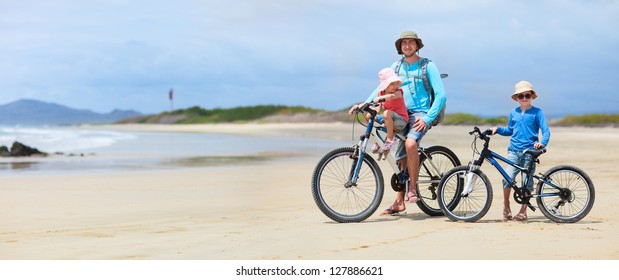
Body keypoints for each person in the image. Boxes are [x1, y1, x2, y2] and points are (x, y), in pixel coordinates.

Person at [349, 30, 447, 215]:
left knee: (410, 144)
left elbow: (441, 95)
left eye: (411, 42)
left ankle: (413, 190)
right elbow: (381, 88)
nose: (407, 46)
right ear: (400, 47)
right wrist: (365, 103)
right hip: (400, 113)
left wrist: (427, 118)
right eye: (404, 43)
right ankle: (399, 202)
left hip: (420, 113)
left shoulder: (428, 65)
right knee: (399, 155)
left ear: (417, 45)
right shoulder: (396, 66)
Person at [489, 81, 551, 221]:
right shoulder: (514, 112)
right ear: (517, 98)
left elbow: (546, 131)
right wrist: (498, 129)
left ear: (532, 96)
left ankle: (523, 211)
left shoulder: (537, 112)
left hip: (529, 152)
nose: (524, 98)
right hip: (513, 151)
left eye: (527, 95)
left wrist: (542, 143)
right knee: (507, 179)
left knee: (526, 183)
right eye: (520, 96)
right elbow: (510, 131)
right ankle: (506, 205)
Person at [350, 68, 409, 154]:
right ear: (385, 85)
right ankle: (376, 141)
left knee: (386, 113)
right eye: (392, 84)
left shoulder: (399, 92)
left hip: (401, 121)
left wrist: (380, 98)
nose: (395, 86)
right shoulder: (380, 93)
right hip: (388, 119)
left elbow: (392, 96)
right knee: (369, 115)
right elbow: (377, 109)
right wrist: (363, 106)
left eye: (396, 83)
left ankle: (389, 140)